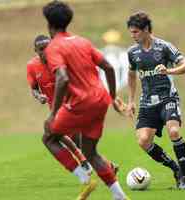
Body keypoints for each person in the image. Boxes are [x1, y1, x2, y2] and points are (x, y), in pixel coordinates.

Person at [42, 1, 129, 200]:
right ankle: (120, 196)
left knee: (49, 136)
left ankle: (84, 178)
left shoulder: (54, 47)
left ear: (49, 24)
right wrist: (113, 97)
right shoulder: (82, 41)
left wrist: (53, 113)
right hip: (100, 100)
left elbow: (62, 78)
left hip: (80, 103)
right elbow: (108, 67)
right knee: (91, 152)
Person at [126, 11, 185, 189]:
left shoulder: (164, 47)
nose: (132, 36)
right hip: (147, 102)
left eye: (135, 32)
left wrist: (169, 71)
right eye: (131, 32)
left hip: (167, 98)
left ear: (146, 29)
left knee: (173, 132)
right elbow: (131, 75)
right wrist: (131, 101)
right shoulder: (132, 52)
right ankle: (175, 168)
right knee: (143, 141)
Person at [26, 34, 94, 186]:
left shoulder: (61, 61)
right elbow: (33, 89)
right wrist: (39, 96)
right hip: (55, 109)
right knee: (75, 140)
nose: (45, 51)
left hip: (72, 105)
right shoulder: (32, 66)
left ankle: (82, 169)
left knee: (49, 135)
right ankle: (105, 167)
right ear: (35, 50)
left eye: (48, 47)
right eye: (41, 49)